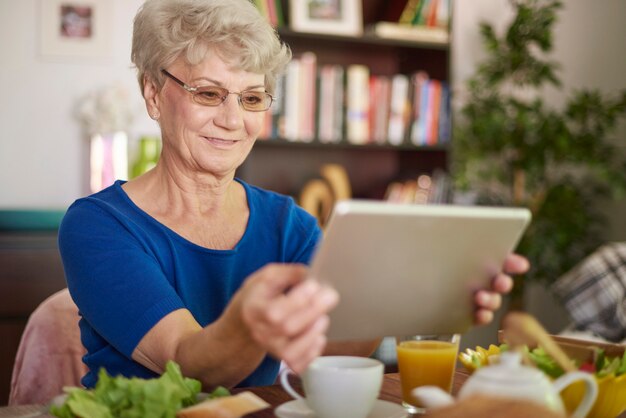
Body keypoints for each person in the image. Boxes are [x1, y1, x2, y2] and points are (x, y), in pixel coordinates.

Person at [58, 0, 529, 391]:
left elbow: (327, 352)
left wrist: (401, 296)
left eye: (252, 98)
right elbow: (189, 367)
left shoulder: (289, 223)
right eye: (208, 93)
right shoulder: (97, 225)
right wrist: (249, 317)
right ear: (154, 95)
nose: (232, 119)